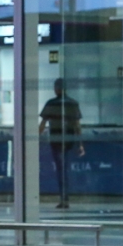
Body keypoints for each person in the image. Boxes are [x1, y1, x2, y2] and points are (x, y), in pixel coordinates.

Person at [38, 78, 84, 209]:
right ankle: (66, 197)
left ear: (56, 88)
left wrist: (35, 139)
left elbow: (42, 125)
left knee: (60, 169)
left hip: (56, 140)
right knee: (66, 169)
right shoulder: (73, 104)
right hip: (70, 141)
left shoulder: (51, 104)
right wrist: (80, 143)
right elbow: (77, 125)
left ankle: (64, 198)